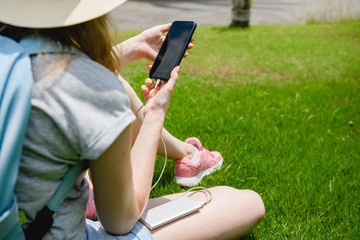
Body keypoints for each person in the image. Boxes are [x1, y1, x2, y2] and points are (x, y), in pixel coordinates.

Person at [0, 0, 265, 239]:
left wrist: (129, 48)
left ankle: (184, 154)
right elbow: (120, 220)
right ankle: (186, 156)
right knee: (245, 201)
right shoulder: (95, 88)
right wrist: (154, 115)